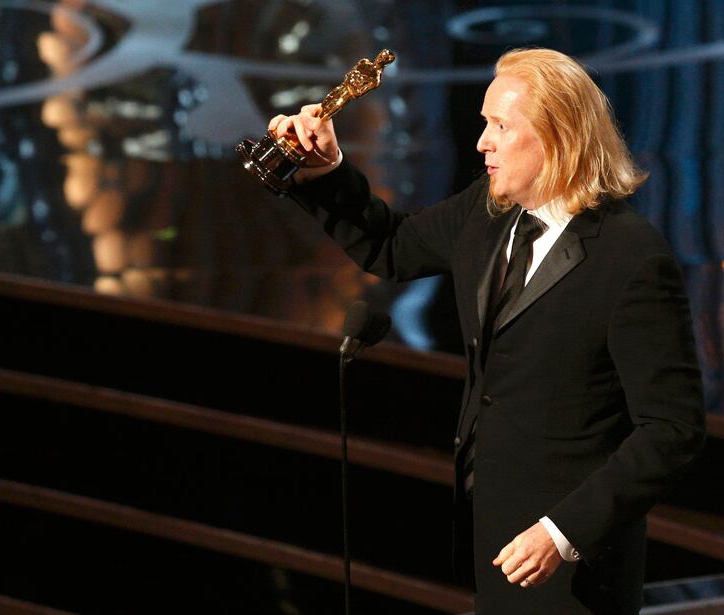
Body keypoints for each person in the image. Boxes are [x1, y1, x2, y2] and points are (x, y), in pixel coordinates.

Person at [266, 48, 707, 614]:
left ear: (559, 135)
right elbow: (390, 246)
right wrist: (324, 171)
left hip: (573, 568)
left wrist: (562, 532)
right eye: (483, 123)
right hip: (492, 541)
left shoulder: (631, 258)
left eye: (500, 125)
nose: (482, 142)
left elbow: (672, 429)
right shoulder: (489, 211)